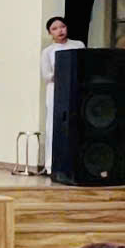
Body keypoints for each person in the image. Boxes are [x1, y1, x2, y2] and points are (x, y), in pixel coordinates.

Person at [39, 16, 84, 174]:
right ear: (50, 33)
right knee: (54, 125)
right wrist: (64, 72)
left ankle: (75, 164)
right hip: (56, 91)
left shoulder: (78, 45)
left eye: (62, 26)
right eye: (55, 28)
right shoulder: (48, 52)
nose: (60, 31)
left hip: (75, 89)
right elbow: (46, 75)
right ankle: (51, 165)